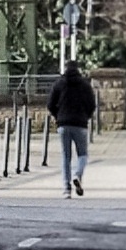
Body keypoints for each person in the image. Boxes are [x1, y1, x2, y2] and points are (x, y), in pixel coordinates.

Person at [48, 60, 97, 198]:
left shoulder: (59, 84)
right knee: (82, 154)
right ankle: (77, 174)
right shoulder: (85, 85)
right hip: (80, 124)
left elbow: (50, 104)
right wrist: (86, 117)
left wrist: (58, 116)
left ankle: (66, 189)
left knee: (66, 156)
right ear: (78, 69)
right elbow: (92, 105)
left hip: (63, 124)